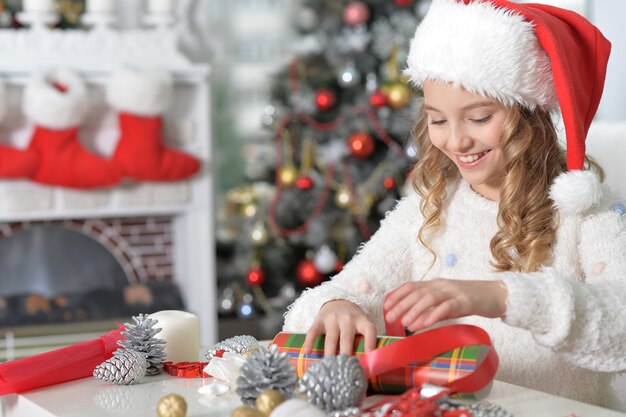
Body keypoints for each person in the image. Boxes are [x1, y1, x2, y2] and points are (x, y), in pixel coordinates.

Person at [282, 0, 626, 410]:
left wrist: (500, 297)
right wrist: (337, 306)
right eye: (439, 120)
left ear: (529, 115)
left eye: (479, 118)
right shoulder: (429, 209)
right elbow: (344, 292)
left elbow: (619, 323)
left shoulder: (585, 212)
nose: (457, 142)